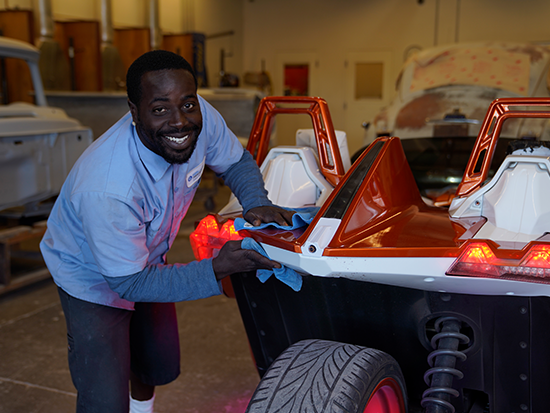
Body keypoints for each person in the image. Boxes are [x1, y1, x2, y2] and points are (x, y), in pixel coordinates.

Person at [40, 50, 294, 413]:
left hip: (148, 254)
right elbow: (128, 283)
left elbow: (234, 160)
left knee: (156, 362)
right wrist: (217, 269)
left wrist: (255, 202)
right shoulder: (108, 189)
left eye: (187, 104)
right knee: (104, 398)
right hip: (90, 276)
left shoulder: (200, 115)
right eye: (160, 109)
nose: (180, 122)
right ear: (134, 111)